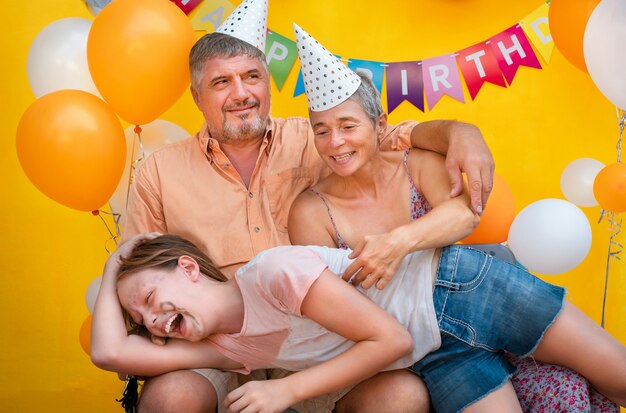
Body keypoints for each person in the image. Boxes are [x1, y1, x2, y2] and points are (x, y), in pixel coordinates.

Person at [120, 1, 496, 411]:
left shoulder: (319, 138)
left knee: (400, 396)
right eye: (221, 82)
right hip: (218, 345)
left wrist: (461, 132)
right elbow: (137, 272)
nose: (241, 93)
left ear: (267, 83)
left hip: (319, 339)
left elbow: (390, 135)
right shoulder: (159, 173)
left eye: (252, 77)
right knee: (171, 396)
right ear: (196, 96)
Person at [286, 24, 622, 412]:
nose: (335, 143)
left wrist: (395, 244)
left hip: (487, 289)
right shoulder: (310, 211)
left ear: (379, 127)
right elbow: (334, 310)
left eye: (348, 126)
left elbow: (464, 215)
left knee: (614, 377)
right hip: (432, 342)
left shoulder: (417, 163)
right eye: (322, 131)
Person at [91, 232, 626, 413]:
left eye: (149, 297)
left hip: (462, 289)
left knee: (618, 375)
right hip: (436, 353)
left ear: (187, 267)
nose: (154, 322)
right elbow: (109, 353)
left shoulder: (274, 272)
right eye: (143, 321)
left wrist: (286, 393)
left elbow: (386, 337)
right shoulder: (231, 350)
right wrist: (118, 264)